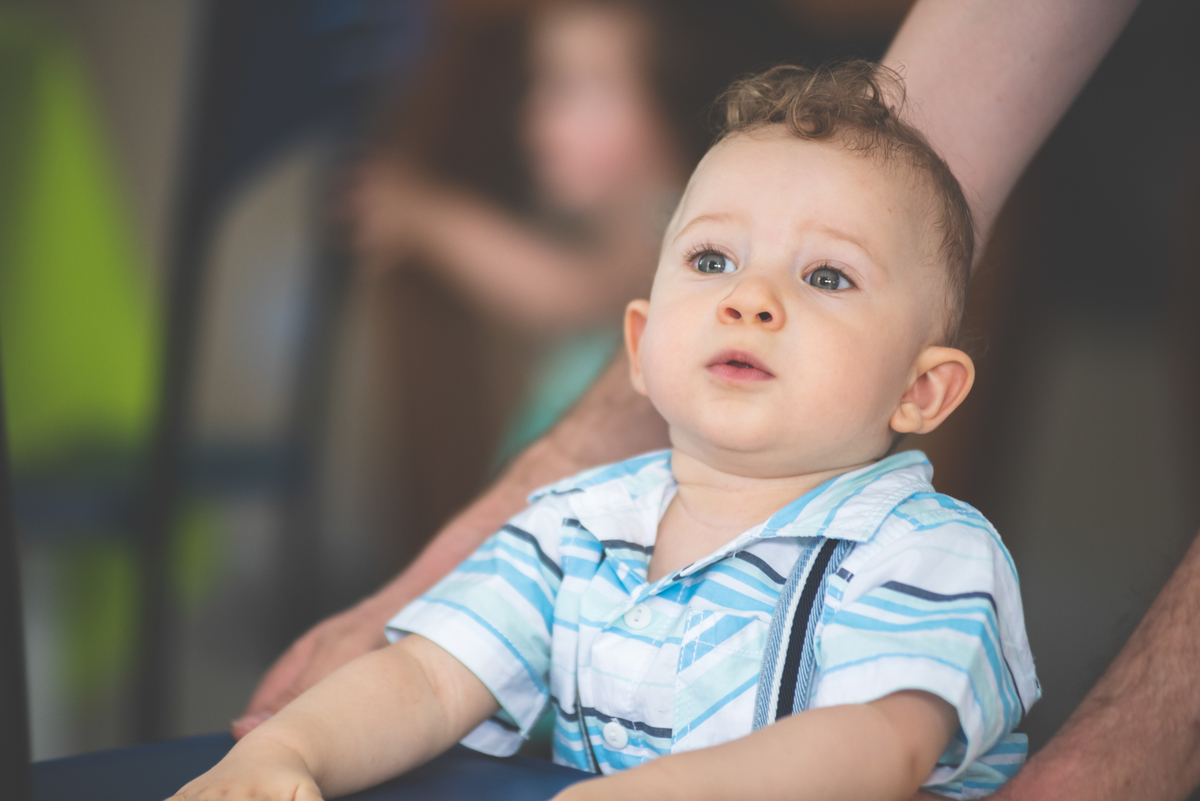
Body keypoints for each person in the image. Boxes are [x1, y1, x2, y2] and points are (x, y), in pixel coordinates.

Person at [243, 2, 1200, 800]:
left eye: (827, 275)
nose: (752, 297)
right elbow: (424, 676)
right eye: (710, 260)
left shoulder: (926, 553)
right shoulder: (576, 530)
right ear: (641, 347)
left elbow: (880, 746)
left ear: (923, 387)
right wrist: (289, 754)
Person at [348, 0, 796, 462]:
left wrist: (426, 217)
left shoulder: (690, 238)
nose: (535, 110)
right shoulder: (608, 234)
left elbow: (569, 293)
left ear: (671, 102)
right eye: (538, 81)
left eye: (574, 87)